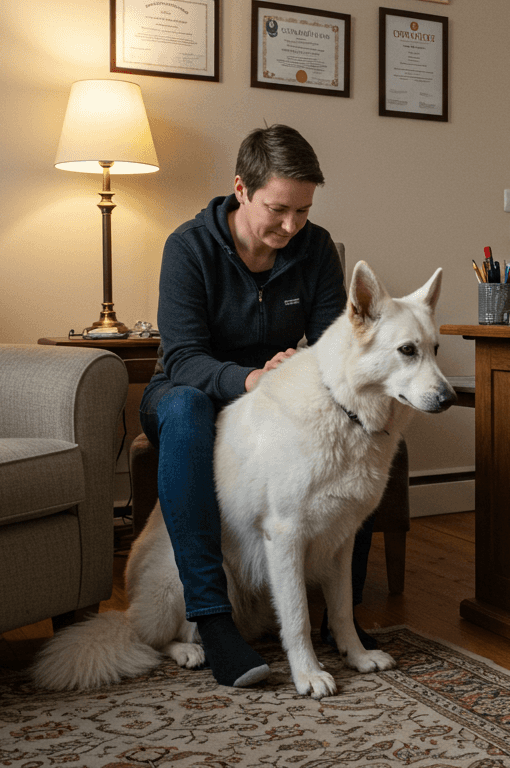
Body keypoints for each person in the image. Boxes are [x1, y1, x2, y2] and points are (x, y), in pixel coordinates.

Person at [139, 124, 378, 688]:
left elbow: (332, 347)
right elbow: (185, 358)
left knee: (359, 423)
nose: (292, 225)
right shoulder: (188, 247)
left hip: (273, 392)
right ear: (241, 188)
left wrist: (300, 382)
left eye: (304, 210)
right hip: (191, 391)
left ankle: (340, 621)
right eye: (279, 209)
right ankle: (212, 618)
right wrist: (251, 381)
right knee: (187, 411)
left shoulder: (314, 248)